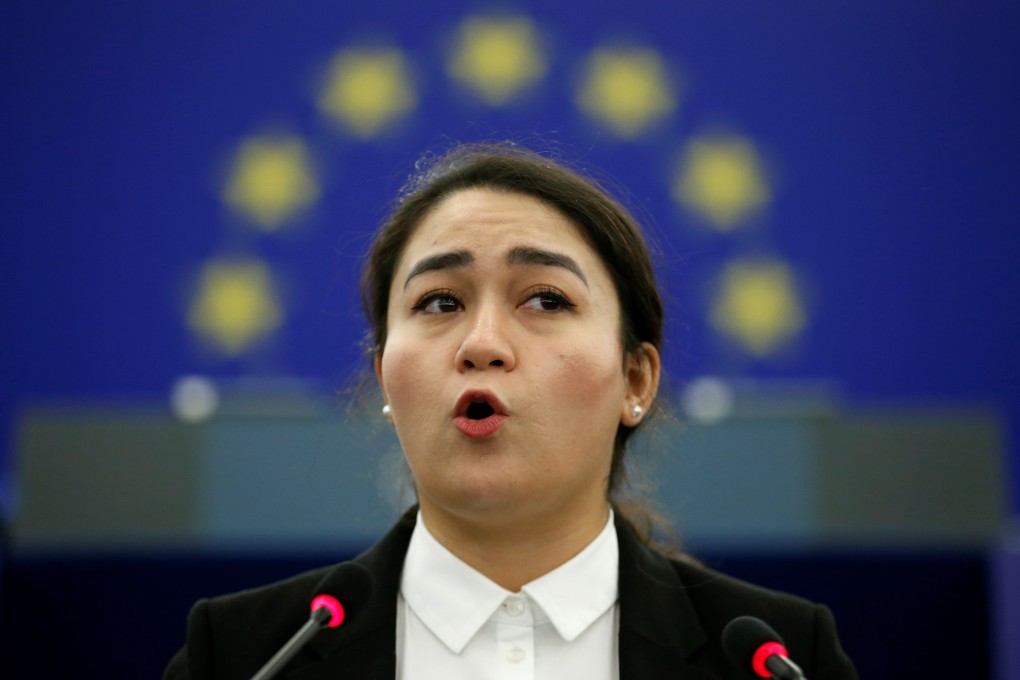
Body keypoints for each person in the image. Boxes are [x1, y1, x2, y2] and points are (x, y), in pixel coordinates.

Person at [164, 142, 857, 679]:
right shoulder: (244, 655)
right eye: (440, 302)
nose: (482, 344)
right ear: (384, 378)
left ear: (636, 380)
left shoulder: (778, 659)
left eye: (546, 299)